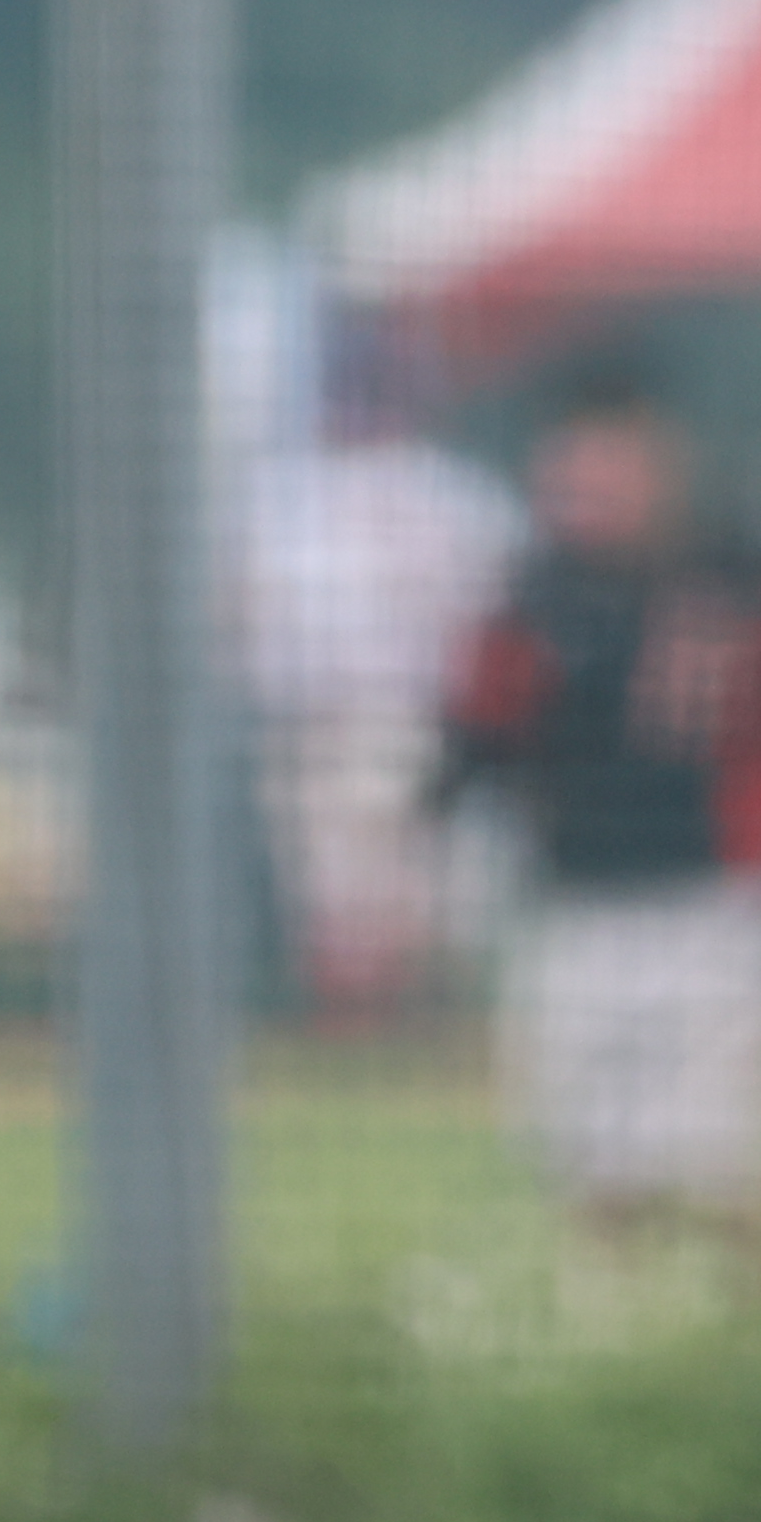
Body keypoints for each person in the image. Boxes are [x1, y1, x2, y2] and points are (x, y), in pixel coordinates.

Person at [434, 390, 761, 1255]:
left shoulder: (757, 581)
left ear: (665, 461)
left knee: (721, 1146)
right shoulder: (537, 598)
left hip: (724, 891)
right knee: (590, 1140)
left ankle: (743, 1293)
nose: (593, 487)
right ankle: (620, 1292)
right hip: (577, 891)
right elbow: (477, 735)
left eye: (615, 462)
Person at [237, 315, 518, 1026]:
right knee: (355, 924)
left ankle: (414, 1032)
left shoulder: (451, 495)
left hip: (416, 734)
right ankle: (372, 1034)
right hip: (331, 735)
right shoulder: (290, 496)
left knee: (423, 916)